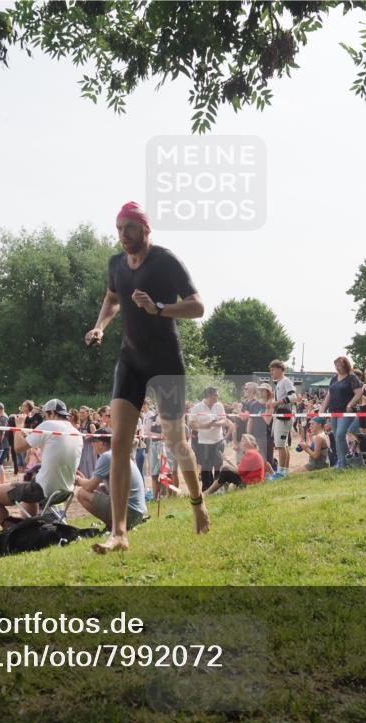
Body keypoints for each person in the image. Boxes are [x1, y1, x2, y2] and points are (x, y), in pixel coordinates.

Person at [84, 201, 209, 553]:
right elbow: (112, 298)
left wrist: (159, 309)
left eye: (130, 229)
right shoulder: (116, 265)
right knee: (120, 442)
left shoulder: (165, 261)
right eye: (119, 229)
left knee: (175, 440)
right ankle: (119, 534)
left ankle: (198, 505)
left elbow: (198, 306)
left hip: (166, 363)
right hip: (131, 361)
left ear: (145, 229)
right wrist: (100, 327)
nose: (123, 236)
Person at [0, 399, 82, 525]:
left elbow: (18, 448)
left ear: (52, 413)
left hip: (43, 490)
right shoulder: (76, 432)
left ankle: (13, 531)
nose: (44, 419)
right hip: (65, 491)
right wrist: (25, 434)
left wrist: (19, 427)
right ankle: (30, 526)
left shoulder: (49, 425)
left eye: (45, 416)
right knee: (28, 481)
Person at [74, 428, 148, 530]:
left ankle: (113, 526)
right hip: (138, 513)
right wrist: (86, 482)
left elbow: (89, 487)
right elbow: (99, 486)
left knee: (82, 493)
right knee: (100, 488)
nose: (91, 445)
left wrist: (77, 480)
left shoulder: (106, 457)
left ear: (101, 443)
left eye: (93, 442)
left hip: (130, 513)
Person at [325, 356, 363, 468]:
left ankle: (345, 462)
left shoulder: (352, 377)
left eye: (339, 365)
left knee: (340, 435)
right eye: (336, 365)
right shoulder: (333, 379)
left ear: (345, 365)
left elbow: (359, 392)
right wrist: (322, 410)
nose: (337, 367)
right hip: (334, 411)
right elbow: (329, 395)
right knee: (337, 437)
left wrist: (350, 404)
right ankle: (342, 462)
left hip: (345, 412)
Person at [188, 386, 230, 490]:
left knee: (218, 464)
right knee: (206, 466)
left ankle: (218, 487)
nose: (218, 397)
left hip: (218, 440)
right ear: (209, 396)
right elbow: (191, 424)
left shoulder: (219, 406)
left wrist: (215, 424)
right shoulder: (197, 407)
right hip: (203, 442)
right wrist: (204, 426)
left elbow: (224, 420)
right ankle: (207, 488)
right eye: (216, 395)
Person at [267, 360, 297, 475]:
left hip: (284, 416)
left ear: (280, 369)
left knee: (280, 446)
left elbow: (293, 396)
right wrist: (273, 403)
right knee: (283, 445)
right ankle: (285, 472)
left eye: (273, 369)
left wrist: (276, 403)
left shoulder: (285, 381)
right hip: (281, 416)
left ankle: (280, 473)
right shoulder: (279, 383)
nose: (271, 372)